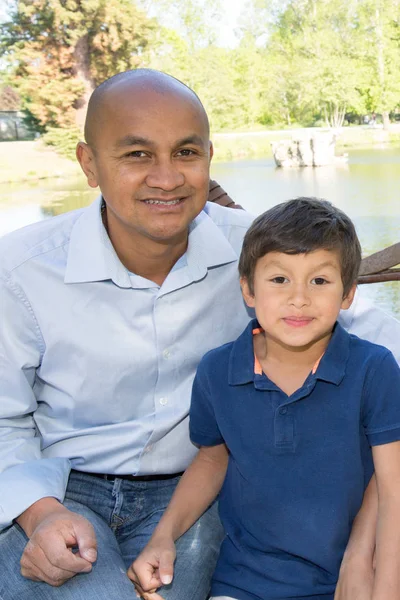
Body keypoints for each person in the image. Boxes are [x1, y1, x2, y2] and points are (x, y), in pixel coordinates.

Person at [0, 68, 399, 600]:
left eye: (186, 153)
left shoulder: (265, 255)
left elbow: (378, 348)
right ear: (89, 164)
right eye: (137, 154)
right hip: (63, 488)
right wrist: (39, 512)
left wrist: (364, 541)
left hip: (197, 492)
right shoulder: (22, 270)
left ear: (210, 156)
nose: (166, 178)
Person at [130, 198, 400, 600]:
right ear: (248, 290)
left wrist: (386, 589)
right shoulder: (217, 371)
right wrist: (163, 536)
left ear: (347, 295)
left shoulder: (374, 369)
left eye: (319, 281)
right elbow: (210, 459)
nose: (298, 299)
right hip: (246, 582)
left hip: (348, 580)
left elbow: (394, 490)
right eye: (279, 280)